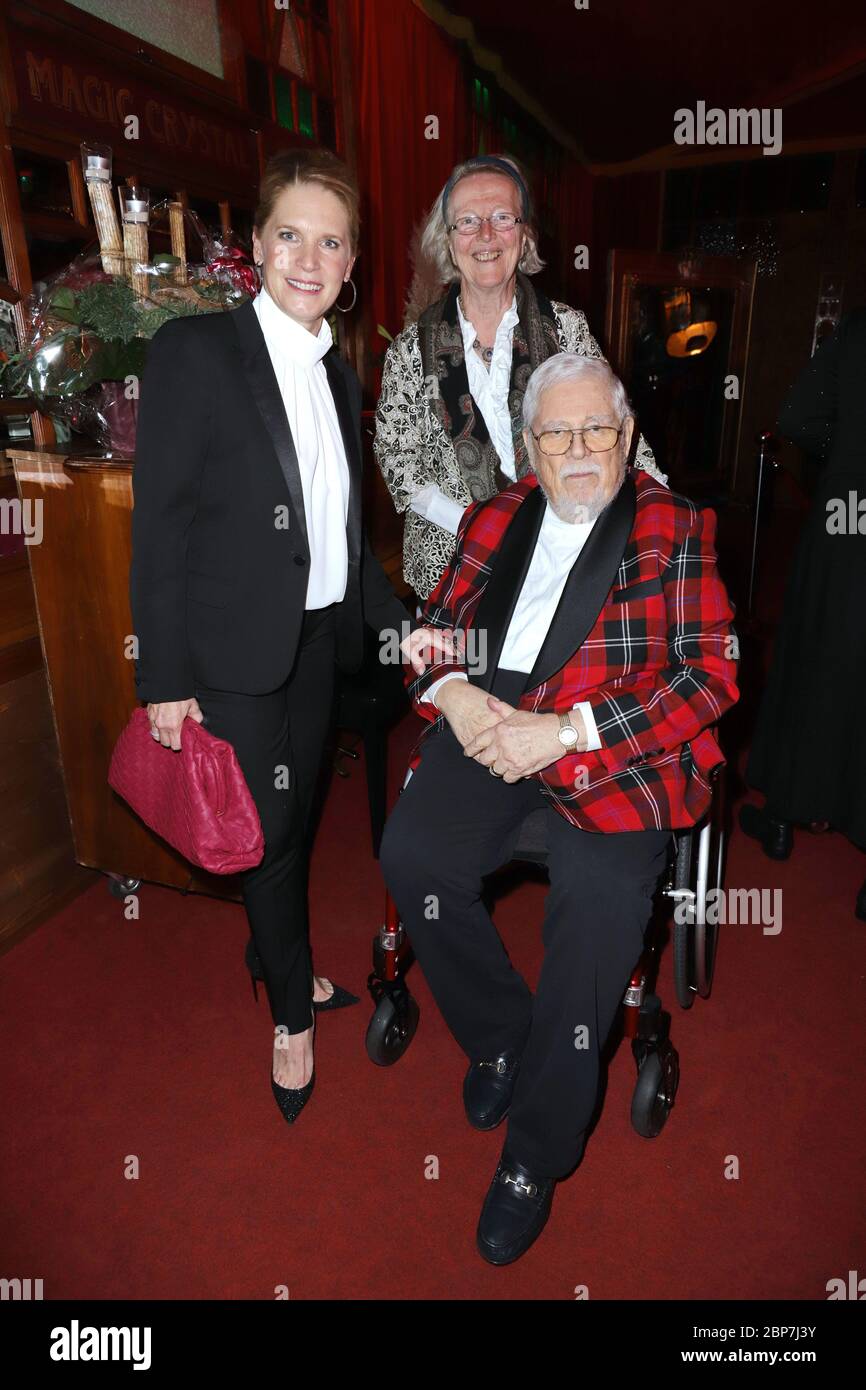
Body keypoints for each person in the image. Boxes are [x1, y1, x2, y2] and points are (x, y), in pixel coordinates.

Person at [379, 353, 738, 1264]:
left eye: (598, 431)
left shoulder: (676, 526)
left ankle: (536, 1153)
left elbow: (710, 675)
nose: (579, 451)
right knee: (414, 860)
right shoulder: (496, 514)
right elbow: (434, 626)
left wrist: (571, 732)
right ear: (530, 446)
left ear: (625, 437)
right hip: (492, 713)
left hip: (614, 750)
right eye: (557, 433)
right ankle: (505, 1041)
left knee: (593, 925)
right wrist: (454, 694)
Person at [130, 147, 447, 1126]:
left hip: (316, 646)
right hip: (228, 653)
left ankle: (272, 949)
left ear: (351, 264)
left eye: (333, 240)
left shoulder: (336, 370)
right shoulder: (195, 350)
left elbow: (343, 548)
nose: (310, 257)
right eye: (291, 235)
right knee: (267, 836)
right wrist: (164, 679)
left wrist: (401, 635)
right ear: (258, 244)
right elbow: (161, 525)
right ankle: (289, 1014)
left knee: (296, 812)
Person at [373, 152, 666, 601]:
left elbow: (616, 430)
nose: (486, 234)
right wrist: (478, 526)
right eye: (467, 221)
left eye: (502, 217)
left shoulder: (566, 328)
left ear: (524, 235)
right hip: (451, 571)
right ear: (449, 241)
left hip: (560, 561)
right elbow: (399, 460)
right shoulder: (410, 349)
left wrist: (662, 512)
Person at [740, 310, 866, 919]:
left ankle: (785, 814)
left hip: (849, 516)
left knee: (818, 657)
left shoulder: (856, 335)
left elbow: (796, 418)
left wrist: (842, 450)